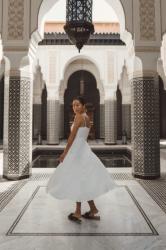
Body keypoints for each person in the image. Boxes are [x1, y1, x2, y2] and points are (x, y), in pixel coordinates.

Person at [46, 96, 119, 224]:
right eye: (73, 105)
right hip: (83, 149)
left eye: (78, 105)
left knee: (77, 179)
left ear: (83, 106)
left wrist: (64, 153)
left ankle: (78, 212)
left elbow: (72, 137)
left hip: (77, 150)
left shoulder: (79, 117)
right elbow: (83, 138)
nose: (75, 107)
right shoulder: (87, 118)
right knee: (81, 180)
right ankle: (92, 209)